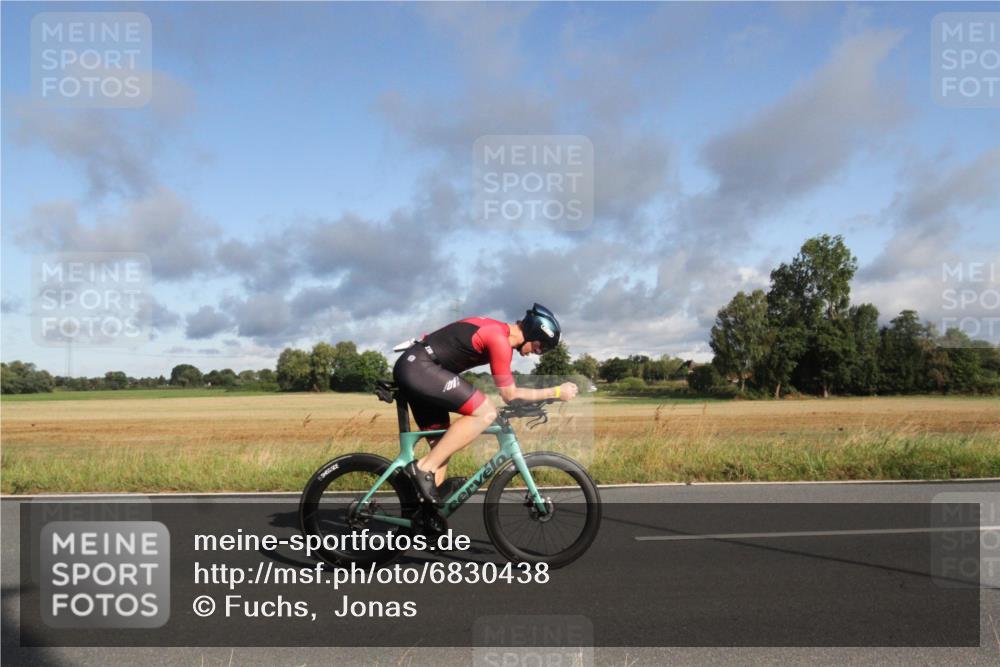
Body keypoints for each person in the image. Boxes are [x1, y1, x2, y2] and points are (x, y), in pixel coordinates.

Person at [393, 303, 578, 505]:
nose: (537, 352)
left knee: (442, 448)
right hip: (420, 368)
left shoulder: (496, 330)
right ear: (534, 333)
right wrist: (556, 392)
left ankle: (422, 515)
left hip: (419, 368)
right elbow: (510, 394)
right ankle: (421, 469)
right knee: (485, 412)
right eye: (541, 347)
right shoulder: (499, 339)